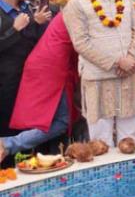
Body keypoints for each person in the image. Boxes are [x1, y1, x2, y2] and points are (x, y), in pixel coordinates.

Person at [62, 0, 135, 151]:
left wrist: (130, 58)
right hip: (98, 77)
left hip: (128, 74)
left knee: (131, 135)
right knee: (101, 140)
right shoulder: (77, 4)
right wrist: (117, 62)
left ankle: (132, 177)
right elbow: (81, 43)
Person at [1, 14, 79, 162]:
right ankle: (7, 144)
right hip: (51, 69)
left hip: (49, 67)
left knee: (54, 121)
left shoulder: (69, 12)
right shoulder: (78, 12)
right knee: (62, 121)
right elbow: (84, 46)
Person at [0, 0, 52, 137]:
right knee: (8, 127)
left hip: (30, 79)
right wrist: (14, 30)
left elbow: (32, 40)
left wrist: (36, 23)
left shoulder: (27, 8)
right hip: (7, 83)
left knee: (30, 127)